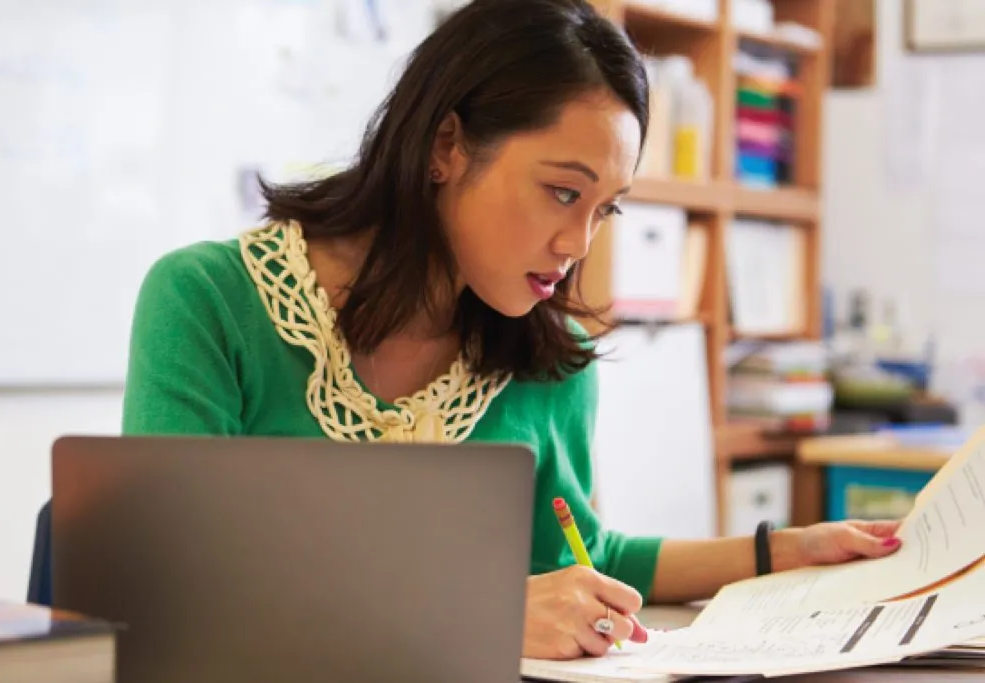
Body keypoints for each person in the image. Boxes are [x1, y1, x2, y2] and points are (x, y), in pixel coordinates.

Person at [122, 0, 902, 661]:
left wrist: (784, 551)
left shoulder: (549, 358)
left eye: (605, 208)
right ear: (446, 146)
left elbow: (585, 554)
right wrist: (478, 612)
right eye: (563, 192)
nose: (579, 244)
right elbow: (168, 578)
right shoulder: (209, 301)